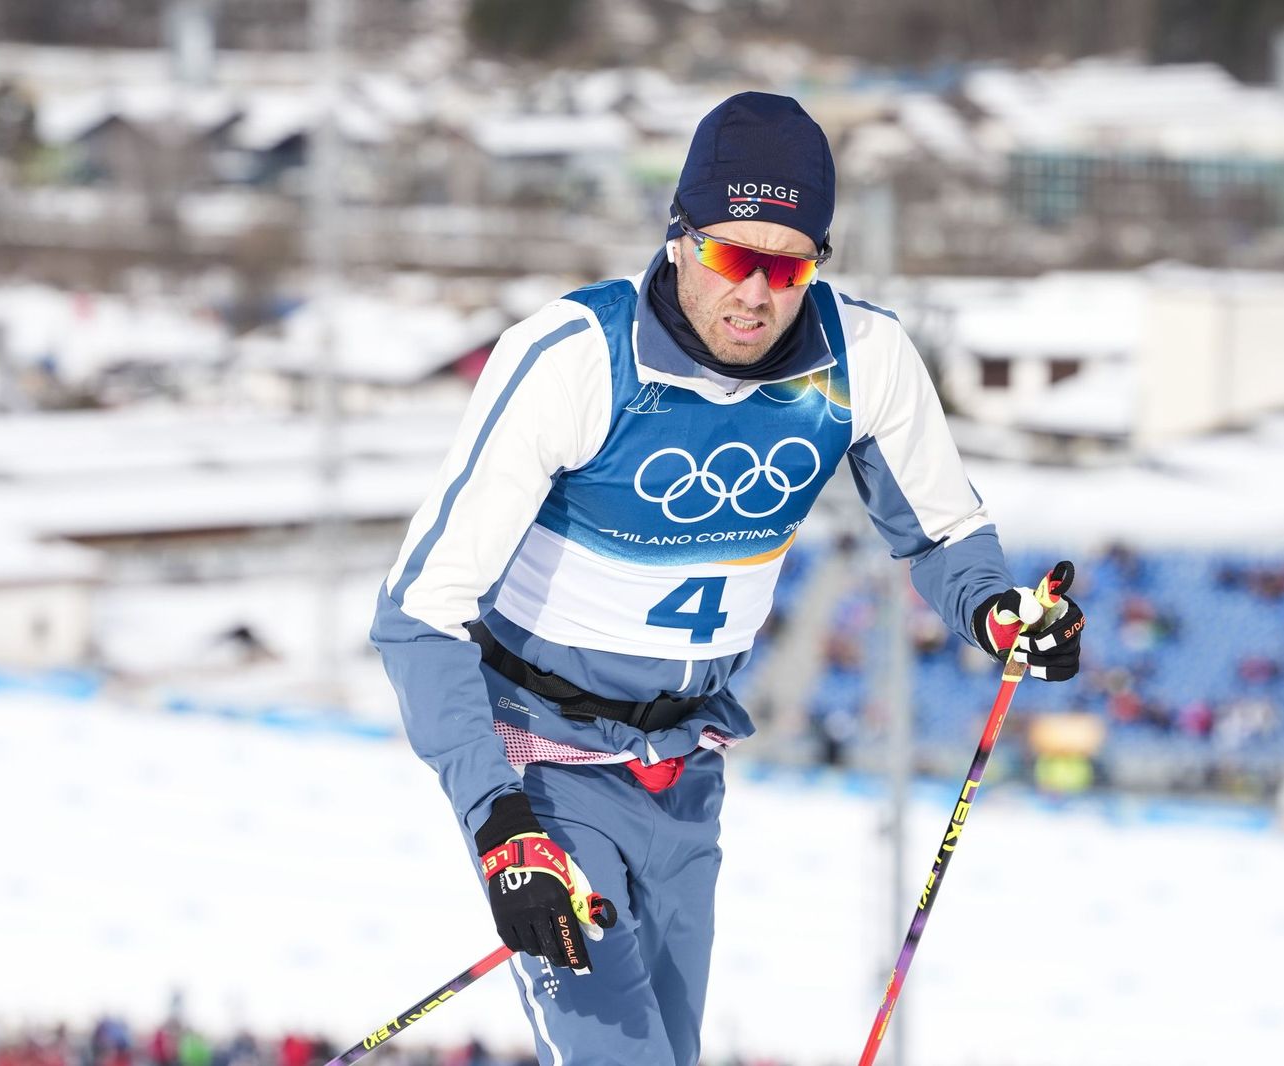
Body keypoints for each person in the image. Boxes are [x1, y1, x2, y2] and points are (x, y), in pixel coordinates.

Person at [371, 92, 1086, 1065]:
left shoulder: (861, 357)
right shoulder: (578, 358)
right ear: (678, 238)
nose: (753, 293)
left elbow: (941, 529)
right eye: (729, 256)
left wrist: (1001, 613)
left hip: (685, 768)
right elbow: (418, 614)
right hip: (544, 763)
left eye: (784, 266)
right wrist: (499, 822)